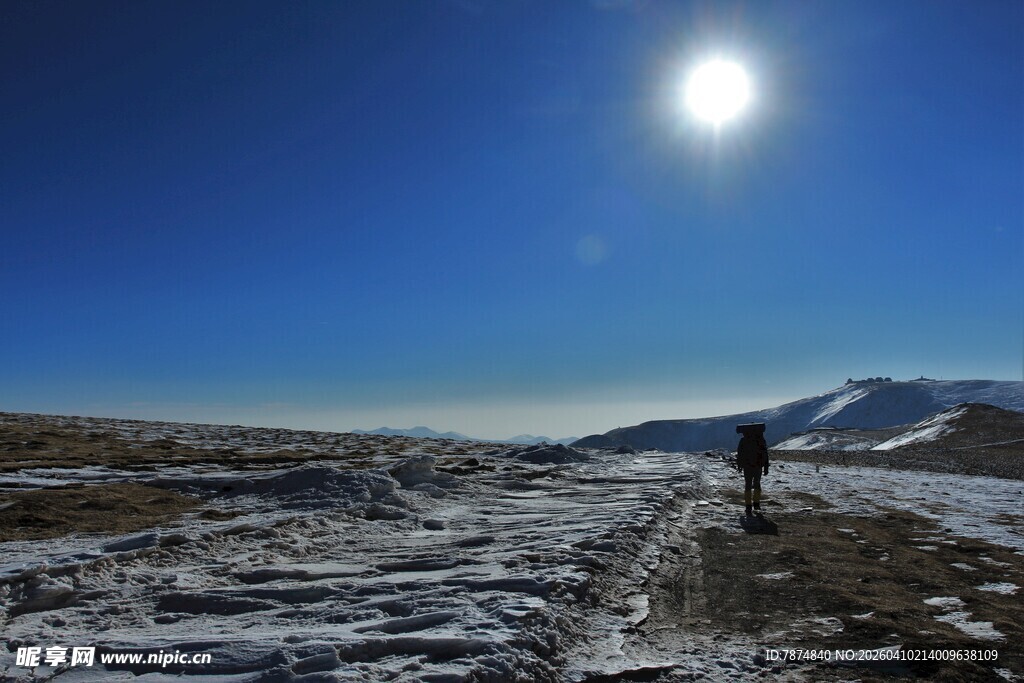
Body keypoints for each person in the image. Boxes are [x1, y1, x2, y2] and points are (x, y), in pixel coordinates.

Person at [736, 430, 769, 516]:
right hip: (758, 466)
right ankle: (756, 504)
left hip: (747, 466)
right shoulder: (761, 440)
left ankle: (748, 505)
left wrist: (739, 465)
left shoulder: (743, 440)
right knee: (757, 484)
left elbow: (740, 453)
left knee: (748, 484)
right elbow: (765, 454)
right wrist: (766, 467)